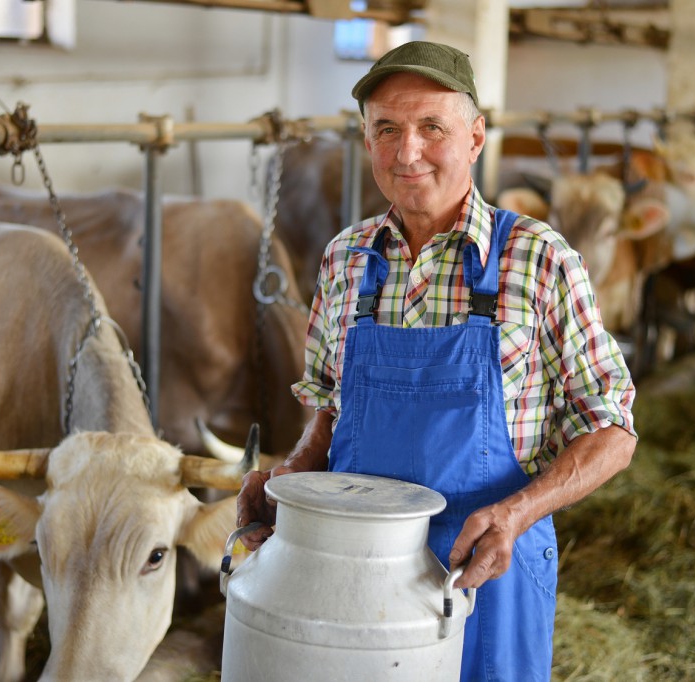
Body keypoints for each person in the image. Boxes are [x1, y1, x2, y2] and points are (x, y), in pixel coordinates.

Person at [236, 40, 637, 682]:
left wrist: (517, 513)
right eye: (386, 129)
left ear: (475, 138)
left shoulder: (538, 259)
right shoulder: (346, 260)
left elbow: (612, 428)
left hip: (485, 569)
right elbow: (329, 410)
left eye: (432, 128)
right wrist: (289, 481)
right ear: (367, 141)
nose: (408, 151)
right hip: (352, 574)